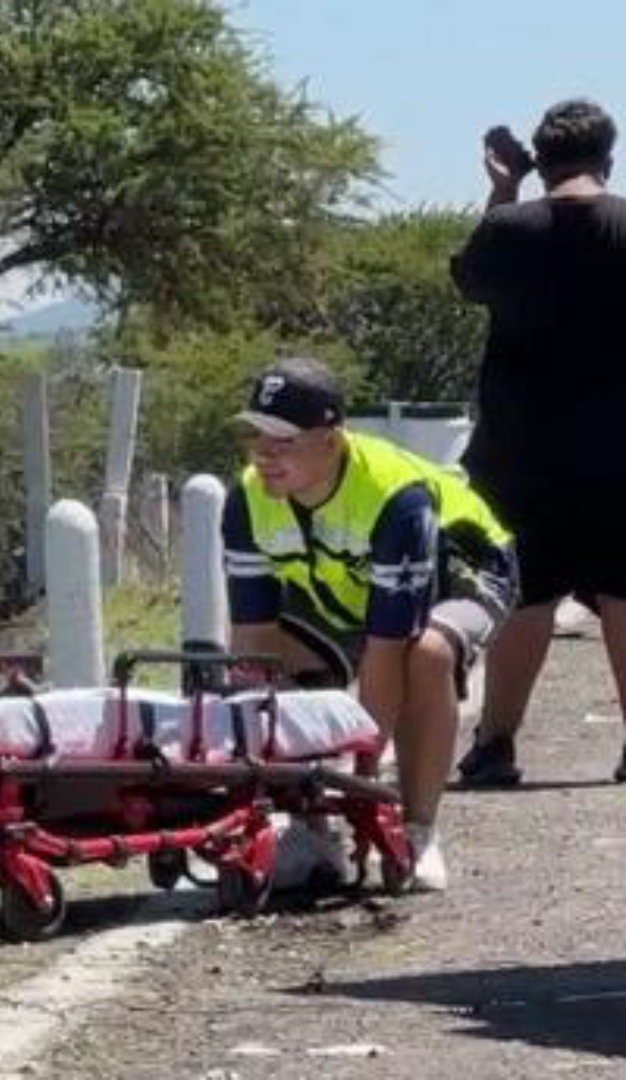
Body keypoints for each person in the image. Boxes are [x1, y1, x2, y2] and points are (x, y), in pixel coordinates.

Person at [221, 357, 515, 892]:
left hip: (464, 577)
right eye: (254, 435)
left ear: (331, 440)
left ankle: (418, 830)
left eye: (283, 441)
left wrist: (357, 782)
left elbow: (386, 651)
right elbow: (253, 641)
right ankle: (313, 832)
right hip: (343, 593)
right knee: (265, 665)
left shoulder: (394, 498)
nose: (264, 454)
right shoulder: (246, 498)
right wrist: (282, 787)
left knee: (424, 656)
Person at [450, 98, 626, 787]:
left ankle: (495, 745)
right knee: (624, 589)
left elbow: (469, 281)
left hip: (523, 445)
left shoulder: (508, 228)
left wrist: (503, 187)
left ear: (540, 159)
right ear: (608, 158)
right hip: (620, 444)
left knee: (528, 595)